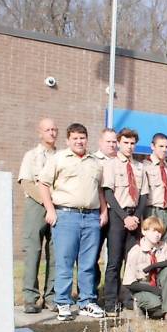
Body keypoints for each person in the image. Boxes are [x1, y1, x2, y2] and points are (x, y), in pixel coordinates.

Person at [38, 123, 108, 321]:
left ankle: (87, 302)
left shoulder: (95, 161)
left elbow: (100, 189)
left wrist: (103, 211)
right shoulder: (58, 158)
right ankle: (63, 302)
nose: (79, 141)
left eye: (82, 137)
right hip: (66, 216)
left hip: (92, 217)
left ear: (87, 139)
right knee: (65, 262)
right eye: (75, 138)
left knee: (88, 263)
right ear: (68, 140)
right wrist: (50, 210)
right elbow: (43, 184)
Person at [101, 128, 149, 315]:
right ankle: (110, 300)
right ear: (119, 143)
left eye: (132, 143)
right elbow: (108, 193)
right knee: (114, 260)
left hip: (135, 216)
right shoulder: (111, 164)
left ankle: (128, 297)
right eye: (126, 143)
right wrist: (125, 217)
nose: (129, 147)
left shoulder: (139, 167)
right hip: (118, 216)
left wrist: (136, 216)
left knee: (132, 260)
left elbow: (144, 194)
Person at [18, 118, 58, 313]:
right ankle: (30, 297)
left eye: (54, 129)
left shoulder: (62, 156)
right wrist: (46, 201)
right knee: (33, 252)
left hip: (59, 208)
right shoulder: (31, 156)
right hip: (36, 206)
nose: (51, 133)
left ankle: (51, 296)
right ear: (39, 133)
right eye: (47, 130)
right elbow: (26, 182)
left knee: (56, 254)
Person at [123, 216, 167, 325]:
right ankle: (138, 306)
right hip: (143, 287)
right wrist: (152, 289)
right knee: (157, 304)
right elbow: (129, 283)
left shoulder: (162, 246)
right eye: (154, 231)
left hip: (159, 284)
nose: (157, 235)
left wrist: (154, 266)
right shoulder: (135, 251)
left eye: (160, 232)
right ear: (144, 231)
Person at [92, 128, 117, 295]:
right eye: (108, 141)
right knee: (92, 255)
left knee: (115, 258)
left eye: (114, 142)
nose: (112, 145)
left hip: (116, 214)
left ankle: (112, 293)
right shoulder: (93, 160)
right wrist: (103, 211)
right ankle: (90, 292)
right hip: (97, 213)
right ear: (100, 142)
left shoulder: (120, 161)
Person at [143, 133, 167, 246]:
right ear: (153, 146)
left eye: (166, 147)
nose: (164, 150)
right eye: (161, 146)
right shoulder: (144, 167)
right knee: (150, 245)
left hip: (166, 211)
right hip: (151, 211)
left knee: (165, 246)